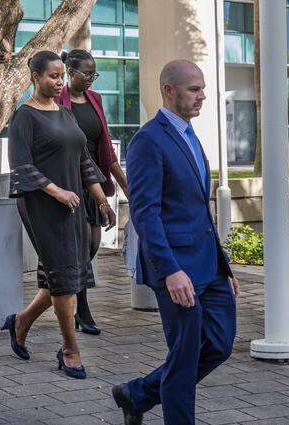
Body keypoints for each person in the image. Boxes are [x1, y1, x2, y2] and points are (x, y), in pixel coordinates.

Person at [112, 60, 239, 425]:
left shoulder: (190, 136)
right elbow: (145, 213)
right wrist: (170, 272)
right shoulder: (148, 141)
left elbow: (199, 208)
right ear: (169, 90)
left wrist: (223, 265)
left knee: (219, 343)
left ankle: (136, 394)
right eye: (194, 89)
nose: (202, 96)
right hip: (177, 270)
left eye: (202, 88)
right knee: (183, 362)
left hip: (209, 265)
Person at [2, 51, 116, 380]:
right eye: (52, 76)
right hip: (42, 206)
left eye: (60, 76)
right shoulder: (23, 116)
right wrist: (58, 191)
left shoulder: (66, 115)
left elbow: (85, 163)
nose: (58, 82)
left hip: (74, 205)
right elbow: (21, 167)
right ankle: (69, 349)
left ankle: (21, 321)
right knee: (65, 277)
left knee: (66, 273)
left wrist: (102, 201)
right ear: (35, 77)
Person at [56, 49, 129, 335]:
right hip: (69, 181)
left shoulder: (95, 100)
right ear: (70, 72)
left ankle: (71, 301)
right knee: (81, 243)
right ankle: (81, 308)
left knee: (92, 244)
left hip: (94, 180)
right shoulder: (57, 102)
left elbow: (106, 148)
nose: (90, 79)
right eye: (86, 74)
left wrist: (125, 185)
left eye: (93, 74)